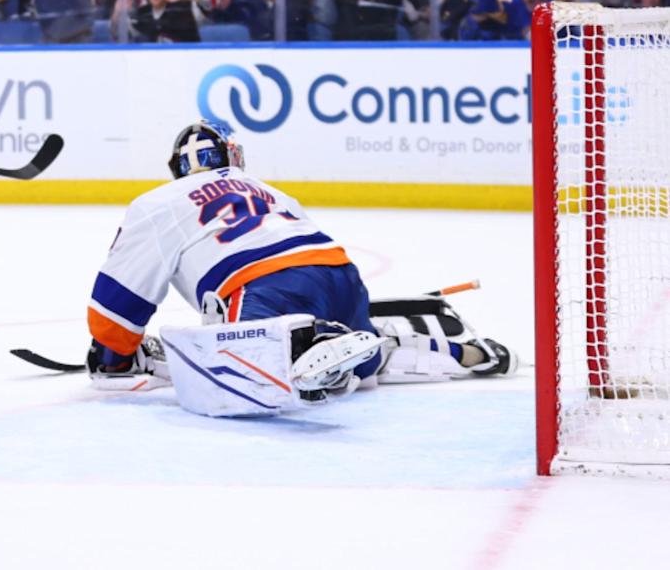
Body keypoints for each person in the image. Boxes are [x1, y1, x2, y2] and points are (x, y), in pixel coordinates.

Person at [83, 121, 516, 417]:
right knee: (362, 373)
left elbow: (115, 307)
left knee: (245, 383)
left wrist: (114, 358)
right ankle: (460, 354)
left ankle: (304, 344)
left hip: (265, 290)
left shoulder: (158, 202)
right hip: (341, 275)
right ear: (232, 156)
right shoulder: (269, 189)